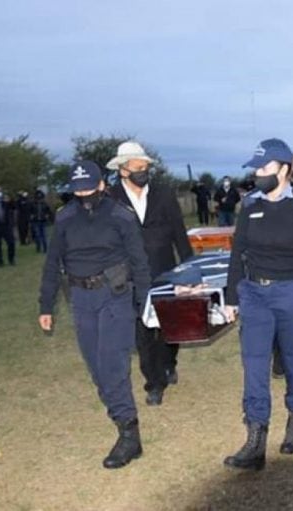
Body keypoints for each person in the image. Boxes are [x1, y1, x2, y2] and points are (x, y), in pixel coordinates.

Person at [223, 138, 293, 471]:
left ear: (284, 169)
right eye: (255, 169)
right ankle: (255, 442)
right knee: (254, 365)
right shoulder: (250, 205)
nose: (258, 175)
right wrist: (231, 297)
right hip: (254, 293)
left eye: (265, 168)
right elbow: (237, 253)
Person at [38, 160, 151, 469]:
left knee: (112, 365)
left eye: (89, 186)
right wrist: (45, 305)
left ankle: (129, 435)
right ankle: (120, 415)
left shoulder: (120, 216)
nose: (84, 193)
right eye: (78, 189)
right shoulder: (65, 218)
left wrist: (144, 303)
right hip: (80, 297)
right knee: (96, 369)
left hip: (114, 296)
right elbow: (52, 263)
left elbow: (139, 262)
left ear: (102, 184)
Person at [107, 141, 194, 406]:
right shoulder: (111, 199)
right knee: (143, 330)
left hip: (165, 269)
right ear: (123, 170)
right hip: (131, 275)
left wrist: (189, 269)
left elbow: (179, 232)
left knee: (169, 323)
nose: (143, 171)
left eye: (145, 167)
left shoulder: (164, 194)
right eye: (137, 167)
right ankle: (153, 383)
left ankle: (169, 363)